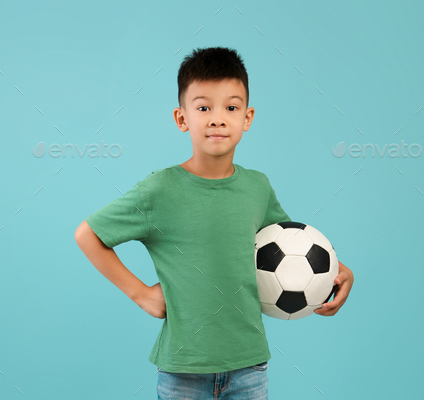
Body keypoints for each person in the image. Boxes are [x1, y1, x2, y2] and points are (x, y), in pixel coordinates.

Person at [74, 46, 354, 399]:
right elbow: (88, 235)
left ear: (247, 118)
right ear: (182, 118)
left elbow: (293, 245)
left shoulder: (257, 187)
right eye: (204, 107)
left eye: (231, 107)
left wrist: (340, 270)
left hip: (249, 366)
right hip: (182, 370)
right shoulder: (159, 190)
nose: (217, 118)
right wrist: (142, 294)